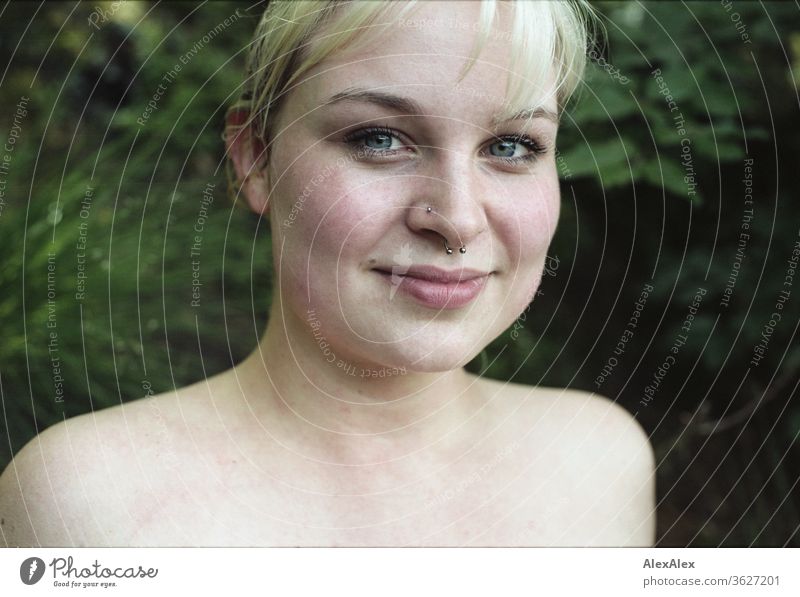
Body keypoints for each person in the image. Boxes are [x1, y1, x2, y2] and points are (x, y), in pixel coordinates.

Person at [0, 0, 655, 547]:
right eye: (377, 138)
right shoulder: (83, 501)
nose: (456, 218)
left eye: (512, 146)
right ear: (254, 158)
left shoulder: (601, 464)